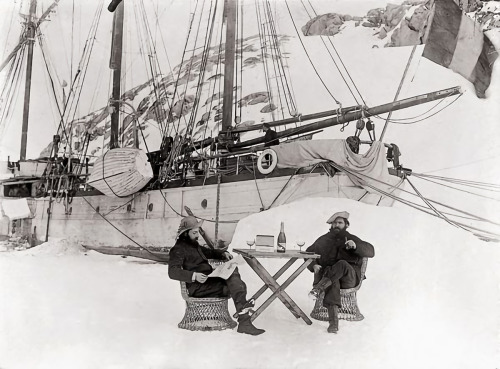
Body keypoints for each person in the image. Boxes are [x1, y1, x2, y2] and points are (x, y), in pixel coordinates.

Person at [168, 216, 265, 336]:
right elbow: (172, 272)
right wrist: (194, 275)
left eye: (197, 231)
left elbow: (209, 252)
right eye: (194, 232)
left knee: (233, 273)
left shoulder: (193, 245)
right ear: (185, 234)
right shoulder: (177, 249)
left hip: (208, 282)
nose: (197, 235)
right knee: (236, 285)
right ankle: (244, 318)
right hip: (198, 287)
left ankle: (244, 318)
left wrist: (223, 253)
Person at [305, 211, 374, 333]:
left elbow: (371, 251)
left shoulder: (352, 238)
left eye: (340, 222)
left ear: (346, 225)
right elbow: (307, 252)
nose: (337, 225)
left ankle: (318, 289)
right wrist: (313, 264)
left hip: (349, 278)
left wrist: (356, 246)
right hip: (330, 277)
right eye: (334, 223)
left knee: (341, 264)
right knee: (333, 280)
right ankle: (333, 324)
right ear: (331, 225)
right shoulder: (323, 240)